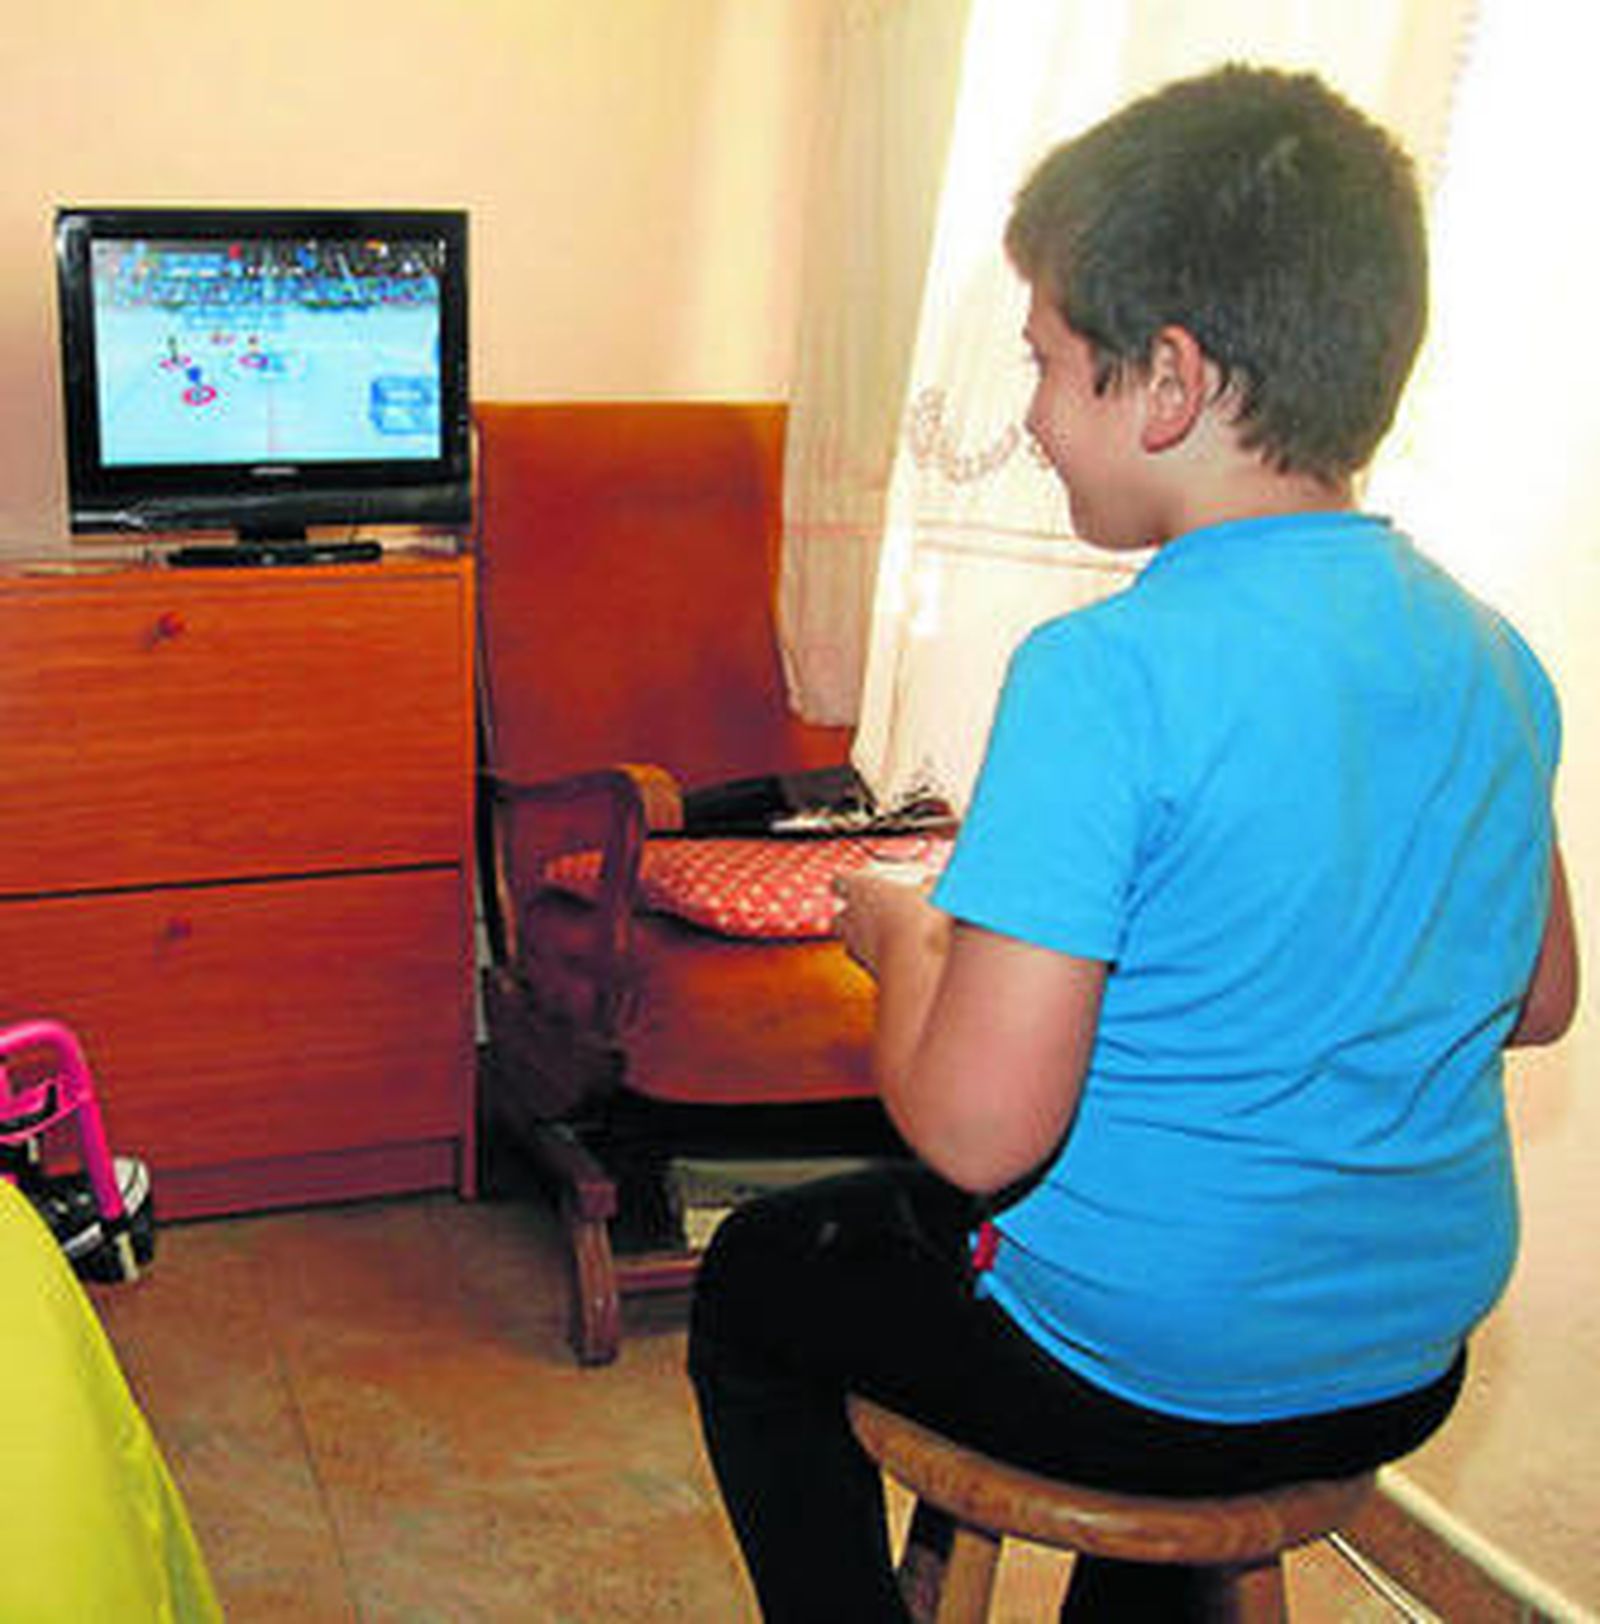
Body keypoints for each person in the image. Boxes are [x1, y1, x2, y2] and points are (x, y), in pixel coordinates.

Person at [688, 64, 1578, 1623]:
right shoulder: (1491, 651)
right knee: (1162, 1266)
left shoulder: (1105, 674)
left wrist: (903, 934)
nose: (1031, 416)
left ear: (1166, 381)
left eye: (1044, 362)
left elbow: (976, 1135)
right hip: (1401, 1366)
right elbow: (1538, 998)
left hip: (1148, 1378)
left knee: (765, 1277)